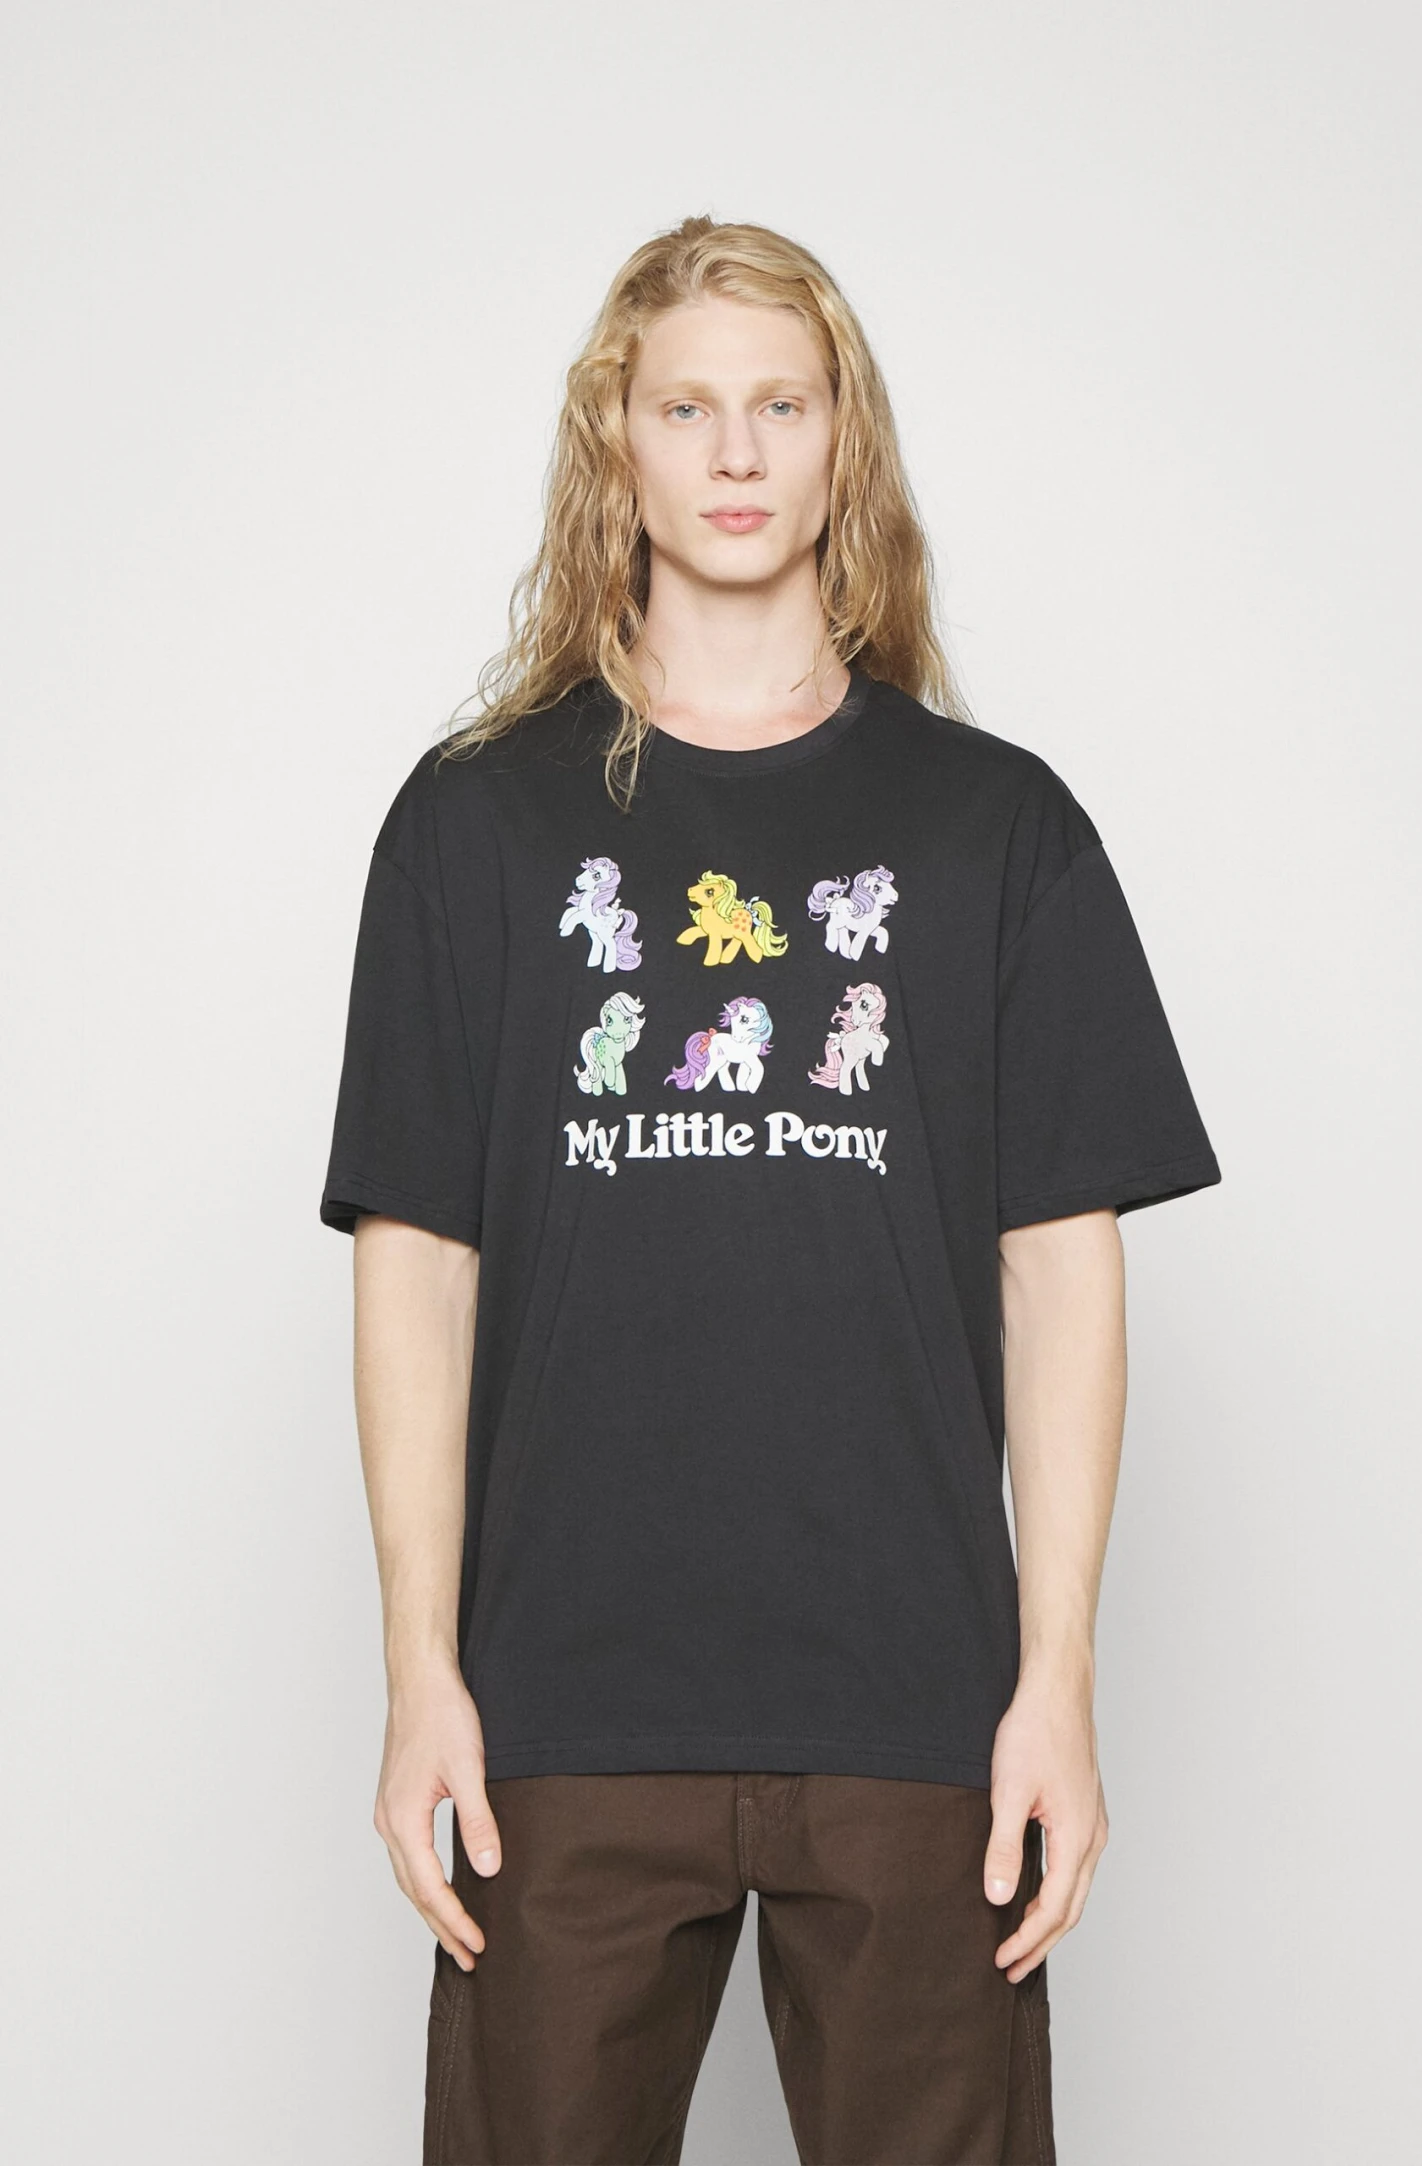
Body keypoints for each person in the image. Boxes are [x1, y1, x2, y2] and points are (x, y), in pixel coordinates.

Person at [320, 214, 1221, 2166]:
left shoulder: (998, 832)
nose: (735, 452)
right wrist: (419, 1675)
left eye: (781, 405)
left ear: (841, 444)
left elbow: (1061, 1274)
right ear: (619, 446)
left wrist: (1055, 1682)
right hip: (561, 1711)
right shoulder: (477, 824)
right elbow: (417, 1267)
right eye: (687, 408)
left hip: (916, 1708)